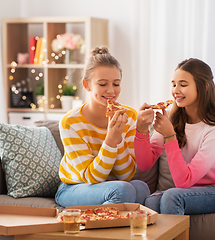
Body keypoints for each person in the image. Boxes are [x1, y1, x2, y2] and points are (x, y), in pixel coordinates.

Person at [134, 58, 215, 215]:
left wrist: (169, 136)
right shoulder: (173, 121)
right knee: (151, 201)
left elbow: (183, 181)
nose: (175, 90)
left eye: (183, 85)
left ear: (204, 87)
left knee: (171, 197)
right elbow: (145, 164)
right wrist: (142, 129)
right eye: (173, 84)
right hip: (192, 190)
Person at [55, 46, 150, 207]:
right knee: (122, 191)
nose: (111, 91)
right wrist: (111, 139)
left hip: (113, 186)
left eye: (116, 83)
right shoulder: (70, 122)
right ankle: (100, 228)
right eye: (103, 84)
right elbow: (92, 178)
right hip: (74, 187)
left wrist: (118, 138)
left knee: (141, 188)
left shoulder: (129, 116)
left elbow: (125, 175)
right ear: (87, 85)